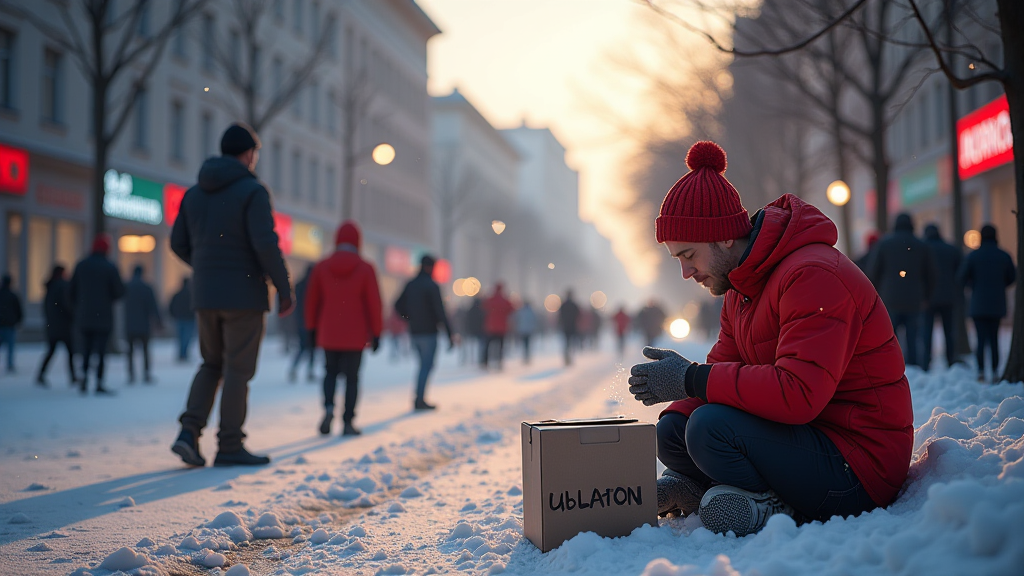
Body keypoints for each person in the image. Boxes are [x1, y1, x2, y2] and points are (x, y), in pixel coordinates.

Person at [628, 141, 912, 538]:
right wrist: (678, 393)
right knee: (675, 430)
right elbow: (721, 369)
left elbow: (797, 393)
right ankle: (700, 487)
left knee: (708, 427)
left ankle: (773, 505)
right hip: (811, 437)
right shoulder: (739, 291)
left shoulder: (812, 275)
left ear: (724, 237)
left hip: (859, 465)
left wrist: (689, 377)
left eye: (688, 255)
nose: (686, 273)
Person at [170, 122, 293, 468]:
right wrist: (284, 289)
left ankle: (188, 433)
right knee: (238, 370)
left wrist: (207, 266)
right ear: (248, 154)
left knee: (211, 364)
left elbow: (177, 242)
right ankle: (229, 445)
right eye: (254, 153)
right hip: (243, 296)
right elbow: (265, 244)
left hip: (205, 295)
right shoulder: (252, 191)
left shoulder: (194, 193)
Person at [304, 221, 382, 436]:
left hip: (328, 332)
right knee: (352, 377)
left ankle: (328, 408)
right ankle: (348, 421)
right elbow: (374, 304)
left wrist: (311, 329)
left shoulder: (322, 266)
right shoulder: (366, 268)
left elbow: (312, 301)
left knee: (329, 373)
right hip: (355, 334)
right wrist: (376, 332)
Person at [867, 213, 936, 369]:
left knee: (891, 337)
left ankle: (892, 366)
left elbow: (874, 271)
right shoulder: (922, 245)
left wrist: (877, 294)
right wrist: (927, 296)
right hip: (915, 299)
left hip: (890, 298)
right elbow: (931, 274)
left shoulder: (884, 244)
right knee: (913, 337)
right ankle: (914, 367)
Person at [957, 224, 1016, 382]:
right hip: (997, 304)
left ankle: (981, 371)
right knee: (994, 338)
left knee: (981, 339)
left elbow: (962, 277)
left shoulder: (973, 256)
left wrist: (973, 286)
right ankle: (996, 371)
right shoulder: (1004, 255)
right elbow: (1012, 277)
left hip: (978, 304)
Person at [395, 255, 455, 410]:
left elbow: (398, 305)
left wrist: (409, 318)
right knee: (426, 365)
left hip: (415, 331)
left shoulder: (411, 284)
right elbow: (440, 312)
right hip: (429, 332)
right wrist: (449, 333)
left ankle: (419, 397)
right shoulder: (432, 286)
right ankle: (419, 399)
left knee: (423, 364)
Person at [69, 234, 125, 395]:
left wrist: (78, 307)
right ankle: (99, 381)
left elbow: (71, 291)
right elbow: (119, 291)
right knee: (101, 351)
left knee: (85, 349)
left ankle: (84, 378)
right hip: (103, 317)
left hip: (84, 316)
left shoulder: (81, 265)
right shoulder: (110, 267)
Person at [921, 224, 962, 370]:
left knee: (926, 331)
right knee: (949, 331)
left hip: (927, 298)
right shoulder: (951, 249)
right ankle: (950, 359)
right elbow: (960, 272)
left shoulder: (923, 249)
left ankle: (926, 361)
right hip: (948, 297)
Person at [36, 266, 78, 386]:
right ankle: (73, 376)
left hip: (53, 325)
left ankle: (41, 374)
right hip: (64, 325)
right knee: (70, 352)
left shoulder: (50, 288)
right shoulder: (62, 287)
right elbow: (66, 305)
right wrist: (73, 316)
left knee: (51, 351)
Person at [124, 265, 162, 384]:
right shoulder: (147, 287)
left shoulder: (126, 287)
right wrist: (158, 321)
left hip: (129, 323)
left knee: (130, 351)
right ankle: (146, 374)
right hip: (144, 324)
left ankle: (131, 374)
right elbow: (153, 306)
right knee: (145, 350)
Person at [289, 265, 316, 383]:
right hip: (312, 322)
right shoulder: (314, 286)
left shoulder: (299, 285)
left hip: (301, 322)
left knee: (303, 348)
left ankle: (295, 369)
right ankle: (309, 371)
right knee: (311, 349)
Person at [481, 283, 514, 370]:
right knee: (500, 346)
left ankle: (485, 362)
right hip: (502, 328)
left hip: (491, 327)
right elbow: (512, 309)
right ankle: (499, 362)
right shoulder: (504, 300)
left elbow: (484, 306)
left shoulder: (491, 299)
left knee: (488, 346)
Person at [0, 274, 23, 374]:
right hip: (10, 325)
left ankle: (10, 365)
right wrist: (18, 320)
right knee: (10, 348)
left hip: (1, 325)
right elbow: (18, 310)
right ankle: (10, 365)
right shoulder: (13, 296)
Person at [169, 277, 196, 362]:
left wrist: (174, 315)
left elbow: (171, 307)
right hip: (189, 319)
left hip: (179, 319)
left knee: (180, 338)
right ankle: (183, 354)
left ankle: (181, 354)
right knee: (186, 338)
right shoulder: (192, 295)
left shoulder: (177, 294)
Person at [558, 289, 580, 366]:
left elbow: (560, 316)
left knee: (566, 342)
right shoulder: (574, 305)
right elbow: (578, 315)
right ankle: (570, 358)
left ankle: (567, 357)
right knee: (572, 343)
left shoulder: (563, 305)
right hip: (572, 326)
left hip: (565, 326)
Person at [514, 299, 538, 365]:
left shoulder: (521, 311)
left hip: (522, 330)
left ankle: (525, 356)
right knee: (527, 344)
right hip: (529, 330)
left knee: (524, 344)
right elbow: (534, 320)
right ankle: (526, 356)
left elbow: (517, 319)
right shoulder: (531, 311)